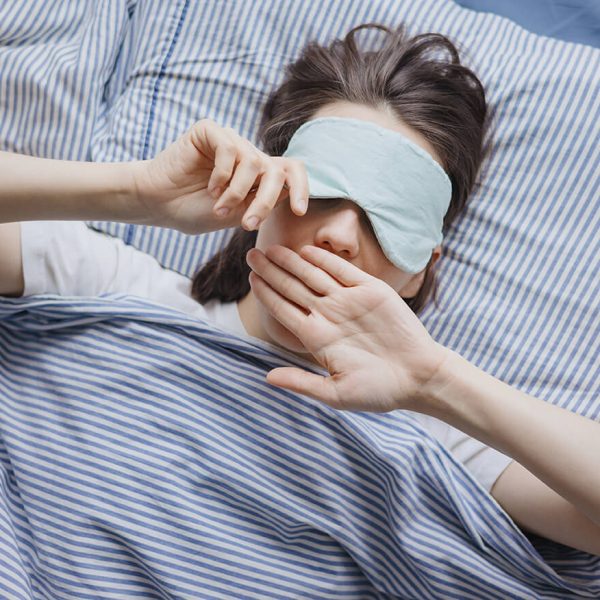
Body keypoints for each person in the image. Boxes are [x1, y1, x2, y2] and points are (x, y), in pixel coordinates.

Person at [0, 23, 598, 557]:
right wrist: (134, 193)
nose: (340, 234)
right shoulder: (116, 288)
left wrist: (437, 383)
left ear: (421, 268)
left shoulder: (439, 429)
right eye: (324, 191)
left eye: (387, 217)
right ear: (262, 190)